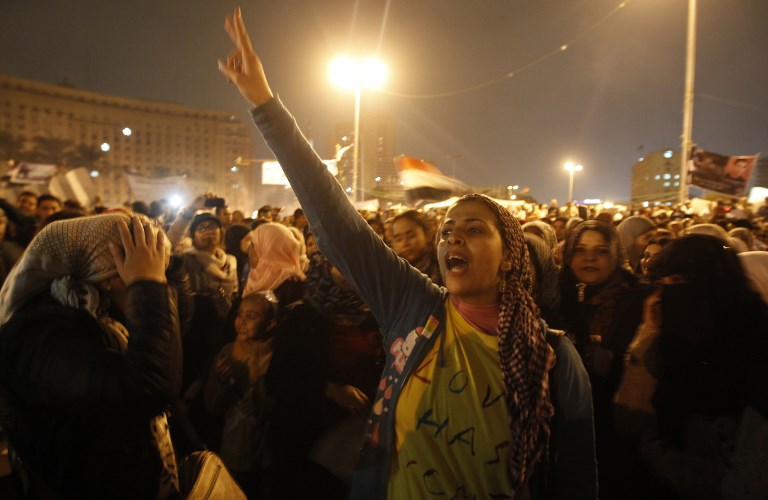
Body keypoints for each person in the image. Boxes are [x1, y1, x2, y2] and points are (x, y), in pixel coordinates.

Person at [219, 9, 596, 499]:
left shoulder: (554, 358)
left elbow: (577, 481)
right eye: (448, 230)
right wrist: (264, 103)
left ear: (510, 257)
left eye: (474, 229)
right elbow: (340, 226)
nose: (452, 238)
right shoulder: (415, 308)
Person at [0, 214, 182, 498]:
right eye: (129, 265)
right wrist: (147, 285)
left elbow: (167, 361)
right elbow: (147, 391)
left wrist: (155, 284)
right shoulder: (38, 335)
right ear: (105, 275)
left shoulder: (98, 311)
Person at [559, 220, 648, 497]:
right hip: (572, 428)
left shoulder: (638, 300)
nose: (589, 258)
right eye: (580, 250)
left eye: (601, 251)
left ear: (616, 255)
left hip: (617, 431)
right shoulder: (560, 297)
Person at [204, 293, 277, 497]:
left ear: (270, 324)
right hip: (234, 446)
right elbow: (212, 406)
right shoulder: (228, 352)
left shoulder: (276, 357)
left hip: (266, 450)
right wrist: (220, 381)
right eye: (240, 314)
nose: (242, 321)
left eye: (251, 316)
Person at [389, 209, 442, 285]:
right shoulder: (393, 271)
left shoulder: (441, 266)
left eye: (411, 236)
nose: (405, 243)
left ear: (427, 235)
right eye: (399, 239)